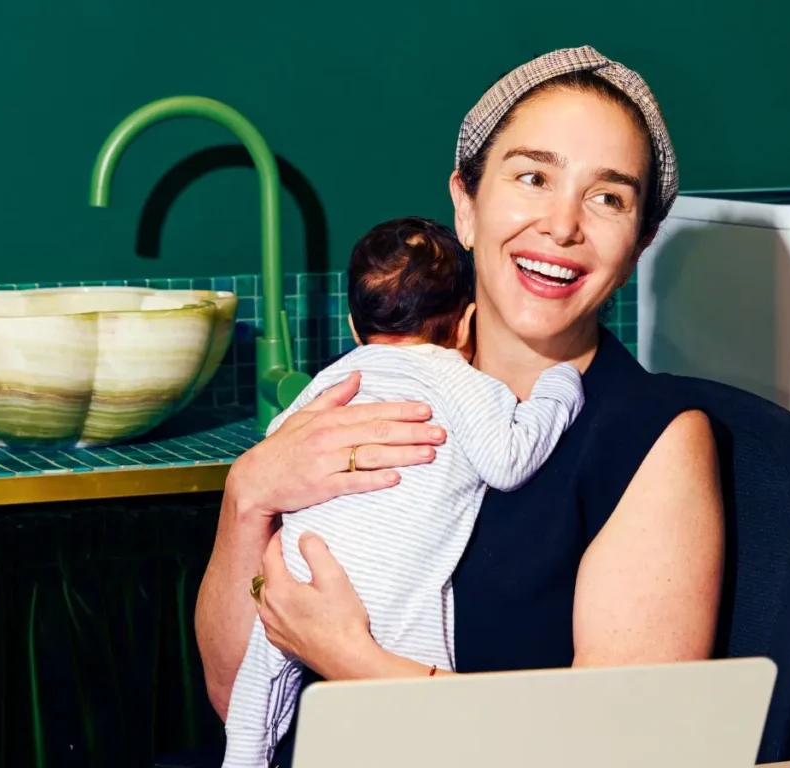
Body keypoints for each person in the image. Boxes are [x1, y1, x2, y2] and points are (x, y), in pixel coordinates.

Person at [195, 44, 725, 767]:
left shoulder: (654, 443)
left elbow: (623, 750)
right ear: (467, 205)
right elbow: (236, 700)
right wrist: (247, 496)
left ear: (638, 246)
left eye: (608, 197)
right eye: (533, 177)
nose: (562, 225)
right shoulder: (374, 391)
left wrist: (352, 660)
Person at [220, 216, 584, 768]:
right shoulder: (463, 380)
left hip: (298, 576)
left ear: (351, 323)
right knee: (419, 723)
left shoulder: (335, 379)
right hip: (393, 590)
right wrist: (559, 388)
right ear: (467, 324)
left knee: (256, 691)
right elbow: (508, 462)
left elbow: (280, 448)